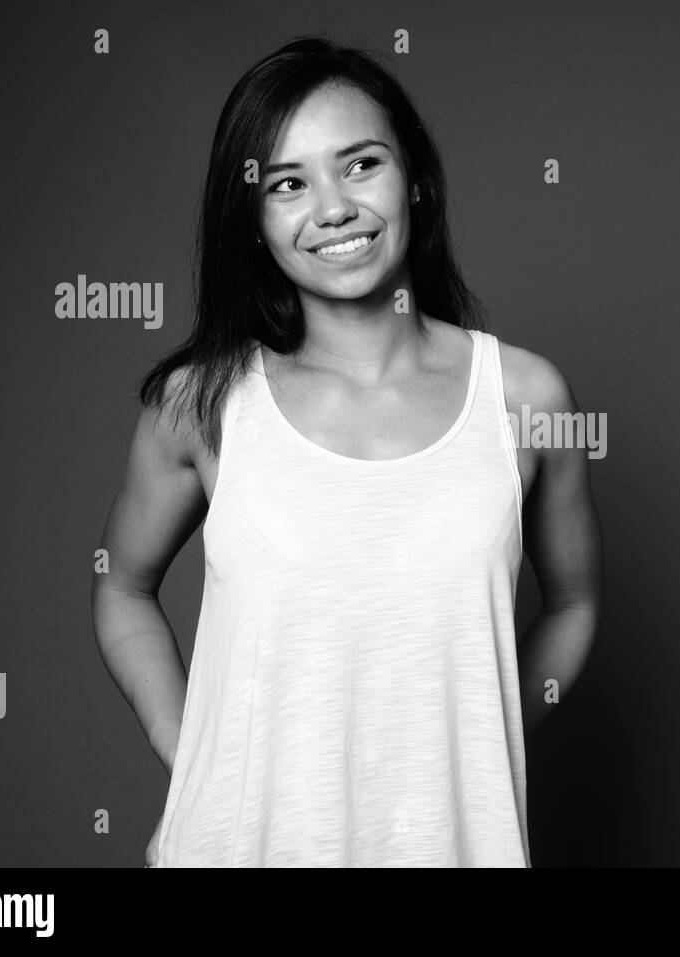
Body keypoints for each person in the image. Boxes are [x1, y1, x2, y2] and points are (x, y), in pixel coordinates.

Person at [90, 36, 603, 867]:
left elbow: (575, 603)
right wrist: (191, 754)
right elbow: (121, 587)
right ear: (252, 220)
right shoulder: (203, 403)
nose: (333, 208)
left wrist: (480, 732)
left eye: (360, 165)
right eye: (288, 183)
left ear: (416, 180)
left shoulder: (525, 400)